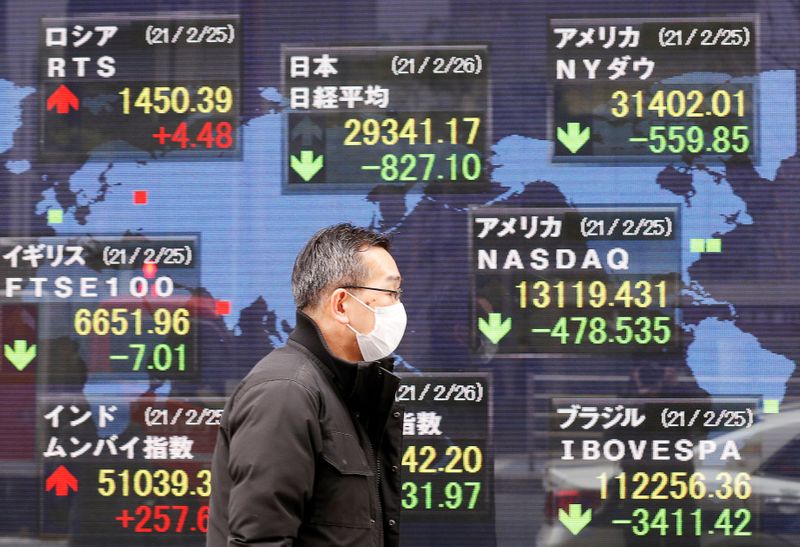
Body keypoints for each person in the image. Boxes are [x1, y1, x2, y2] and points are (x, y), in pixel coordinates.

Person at [207, 223, 406, 546]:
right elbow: (260, 541)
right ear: (342, 304)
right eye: (391, 292)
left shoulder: (344, 391)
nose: (398, 306)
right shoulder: (285, 391)